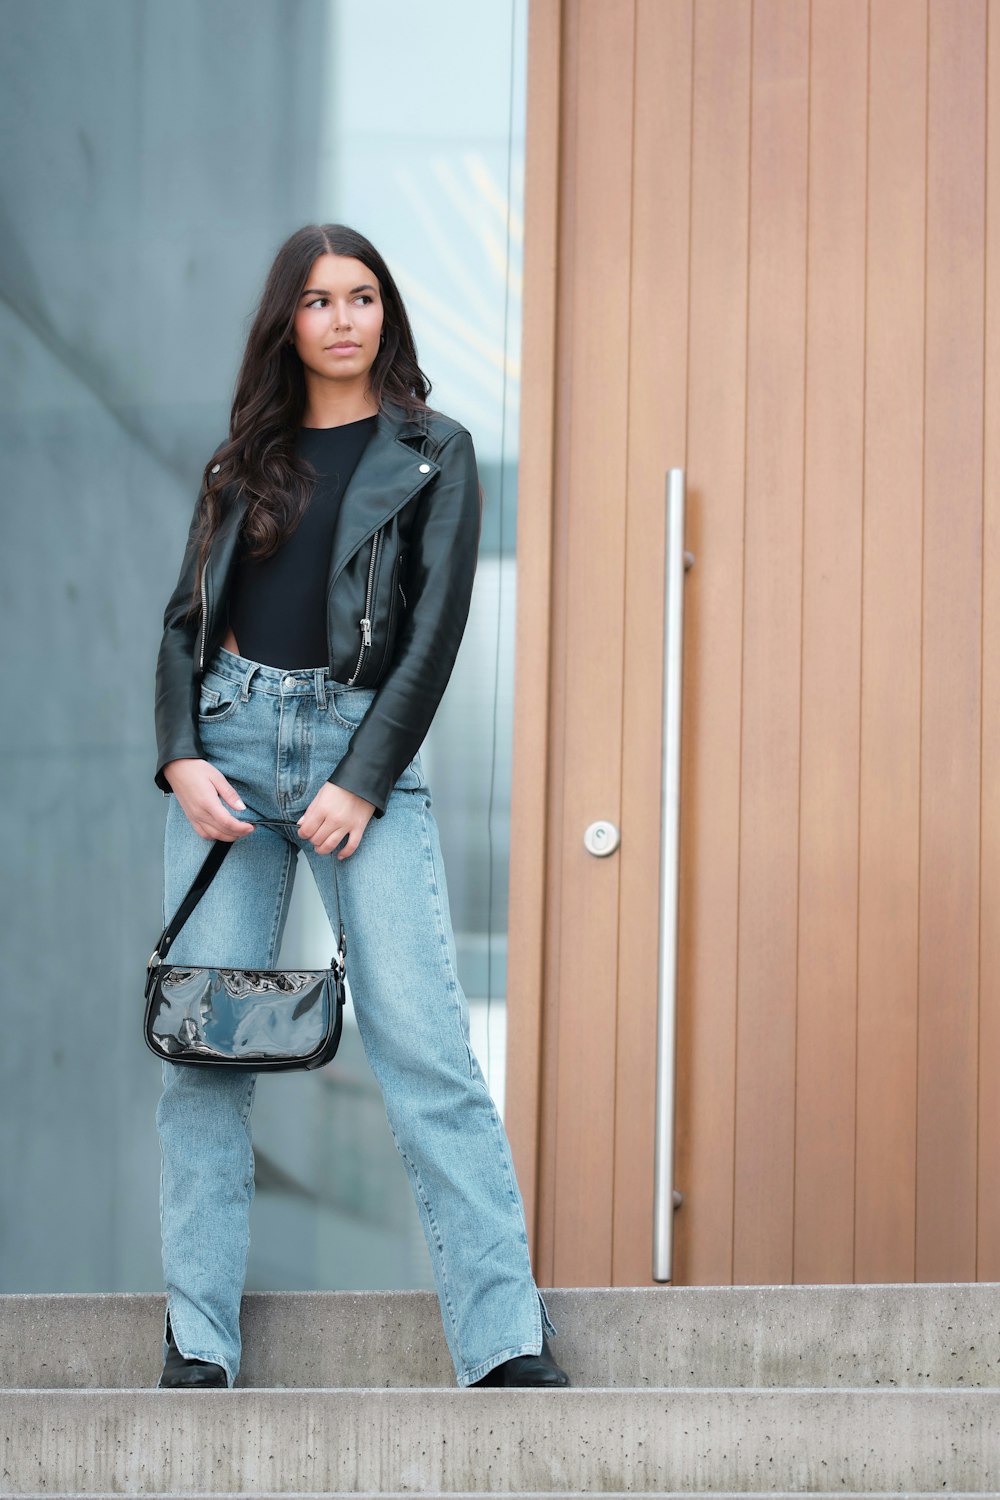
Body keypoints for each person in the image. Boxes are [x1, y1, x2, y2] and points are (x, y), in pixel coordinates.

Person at [151, 223, 569, 1392]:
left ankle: (502, 1341)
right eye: (320, 300)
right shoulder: (241, 462)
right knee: (201, 1053)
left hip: (357, 756)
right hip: (226, 757)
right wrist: (182, 757)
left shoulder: (439, 453)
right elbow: (186, 625)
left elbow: (433, 640)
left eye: (364, 296)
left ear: (386, 314)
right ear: (287, 320)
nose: (343, 318)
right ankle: (197, 1344)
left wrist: (361, 779)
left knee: (427, 1047)